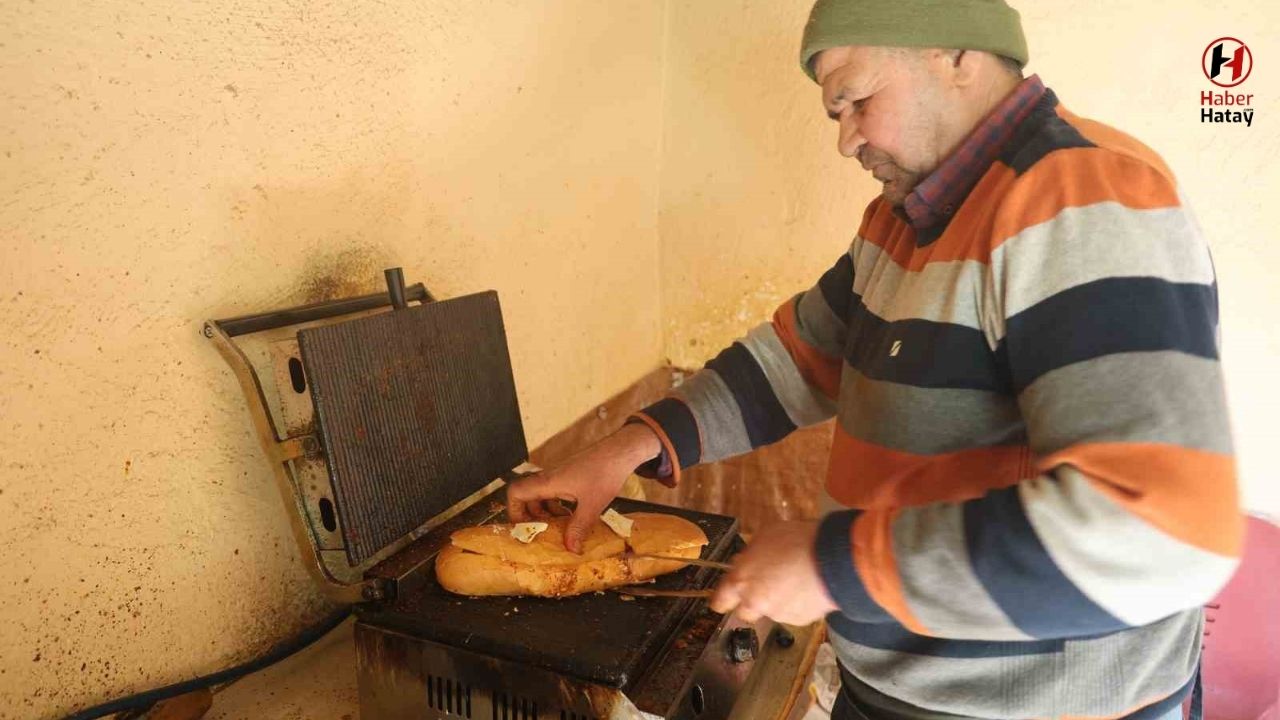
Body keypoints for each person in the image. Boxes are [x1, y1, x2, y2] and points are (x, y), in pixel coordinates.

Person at [507, 1, 1243, 718]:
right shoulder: (902, 219)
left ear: (955, 55)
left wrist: (837, 565)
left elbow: (1161, 531)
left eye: (855, 99)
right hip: (890, 690)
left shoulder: (1083, 200)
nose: (845, 139)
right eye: (836, 114)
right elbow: (798, 359)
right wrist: (626, 448)